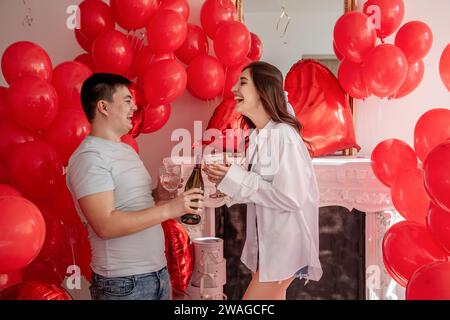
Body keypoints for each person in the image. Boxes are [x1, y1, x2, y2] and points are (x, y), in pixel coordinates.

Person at [66, 73, 204, 300]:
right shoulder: (89, 158)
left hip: (157, 275)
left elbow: (131, 204)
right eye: (127, 100)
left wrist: (158, 194)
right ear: (103, 107)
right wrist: (171, 209)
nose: (135, 107)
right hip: (123, 285)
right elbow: (106, 225)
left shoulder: (126, 150)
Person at [204, 61, 322, 300]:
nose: (234, 88)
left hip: (285, 249)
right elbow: (259, 187)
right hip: (272, 249)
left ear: (263, 90)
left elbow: (291, 196)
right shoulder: (260, 136)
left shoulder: (283, 135)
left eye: (243, 82)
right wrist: (227, 182)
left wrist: (234, 177)